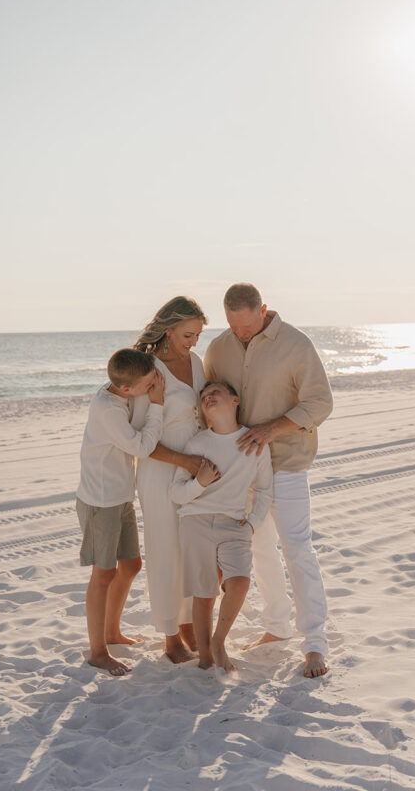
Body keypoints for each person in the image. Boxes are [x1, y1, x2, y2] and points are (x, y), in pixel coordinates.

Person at [204, 282, 334, 679]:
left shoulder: (296, 344)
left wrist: (270, 429)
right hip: (242, 469)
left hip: (287, 462)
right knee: (258, 549)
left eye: (246, 325)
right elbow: (212, 397)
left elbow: (320, 402)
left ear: (264, 310)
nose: (239, 333)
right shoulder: (219, 348)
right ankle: (277, 627)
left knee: (297, 550)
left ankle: (315, 644)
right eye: (232, 326)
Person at [131, 296, 216, 663]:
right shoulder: (148, 369)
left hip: (195, 467)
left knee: (191, 549)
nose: (193, 342)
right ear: (168, 328)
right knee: (165, 550)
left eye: (197, 335)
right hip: (161, 467)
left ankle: (187, 626)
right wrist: (184, 460)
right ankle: (170, 638)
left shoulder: (196, 363)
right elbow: (139, 440)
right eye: (187, 334)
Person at [171, 381, 273, 672]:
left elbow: (264, 491)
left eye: (215, 392)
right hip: (195, 521)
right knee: (205, 593)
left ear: (235, 400)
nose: (208, 397)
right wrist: (199, 483)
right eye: (204, 397)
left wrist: (251, 524)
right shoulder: (197, 444)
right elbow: (176, 494)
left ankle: (219, 640)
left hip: (235, 524)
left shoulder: (254, 443)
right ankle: (206, 657)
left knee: (239, 582)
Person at [75, 348, 165, 677]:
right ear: (127, 389)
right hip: (101, 501)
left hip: (119, 496)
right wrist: (156, 406)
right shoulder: (108, 410)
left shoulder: (118, 391)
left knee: (131, 565)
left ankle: (112, 632)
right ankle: (98, 652)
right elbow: (142, 447)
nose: (154, 384)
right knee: (103, 575)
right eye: (148, 382)